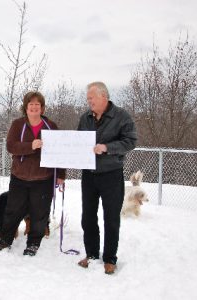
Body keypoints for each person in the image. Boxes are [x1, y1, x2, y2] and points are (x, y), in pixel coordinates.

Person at [0, 91, 65, 256]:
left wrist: (60, 175)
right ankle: (5, 240)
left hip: (43, 178)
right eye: (31, 104)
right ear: (26, 107)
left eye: (37, 104)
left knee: (39, 213)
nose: (34, 107)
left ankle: (33, 243)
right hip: (20, 177)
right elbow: (11, 146)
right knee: (12, 211)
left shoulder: (50, 126)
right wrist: (31, 146)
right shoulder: (18, 124)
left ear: (42, 108)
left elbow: (60, 151)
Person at [77, 82, 137, 274]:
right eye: (88, 99)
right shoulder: (85, 118)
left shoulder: (121, 116)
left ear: (104, 96)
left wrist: (107, 148)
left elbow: (130, 141)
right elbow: (77, 141)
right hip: (89, 175)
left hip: (111, 174)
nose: (89, 102)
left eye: (91, 98)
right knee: (88, 217)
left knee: (111, 218)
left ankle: (110, 258)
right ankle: (92, 254)